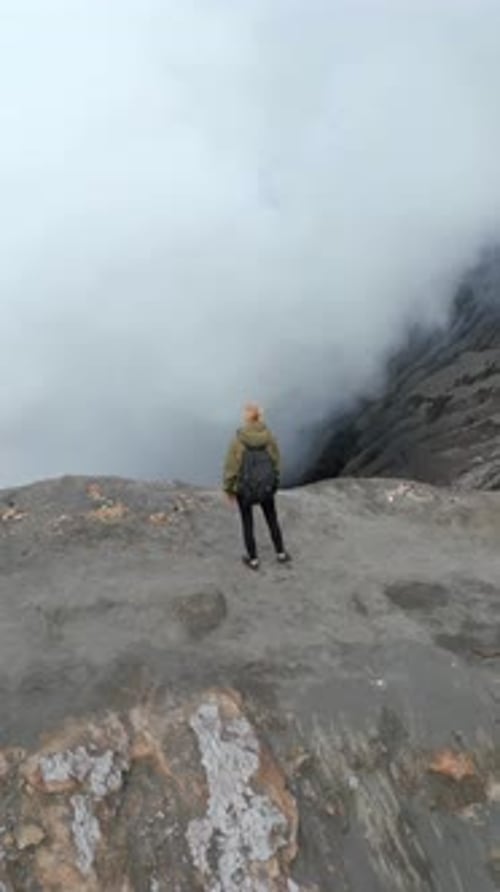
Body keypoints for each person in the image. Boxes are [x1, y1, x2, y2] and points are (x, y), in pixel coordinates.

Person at [223, 403, 290, 570]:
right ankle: (281, 553)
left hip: (244, 490)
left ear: (246, 418)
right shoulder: (269, 438)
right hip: (266, 488)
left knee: (247, 523)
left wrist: (229, 489)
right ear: (260, 417)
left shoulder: (238, 441)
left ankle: (253, 559)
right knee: (272, 519)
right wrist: (273, 482)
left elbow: (231, 467)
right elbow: (277, 463)